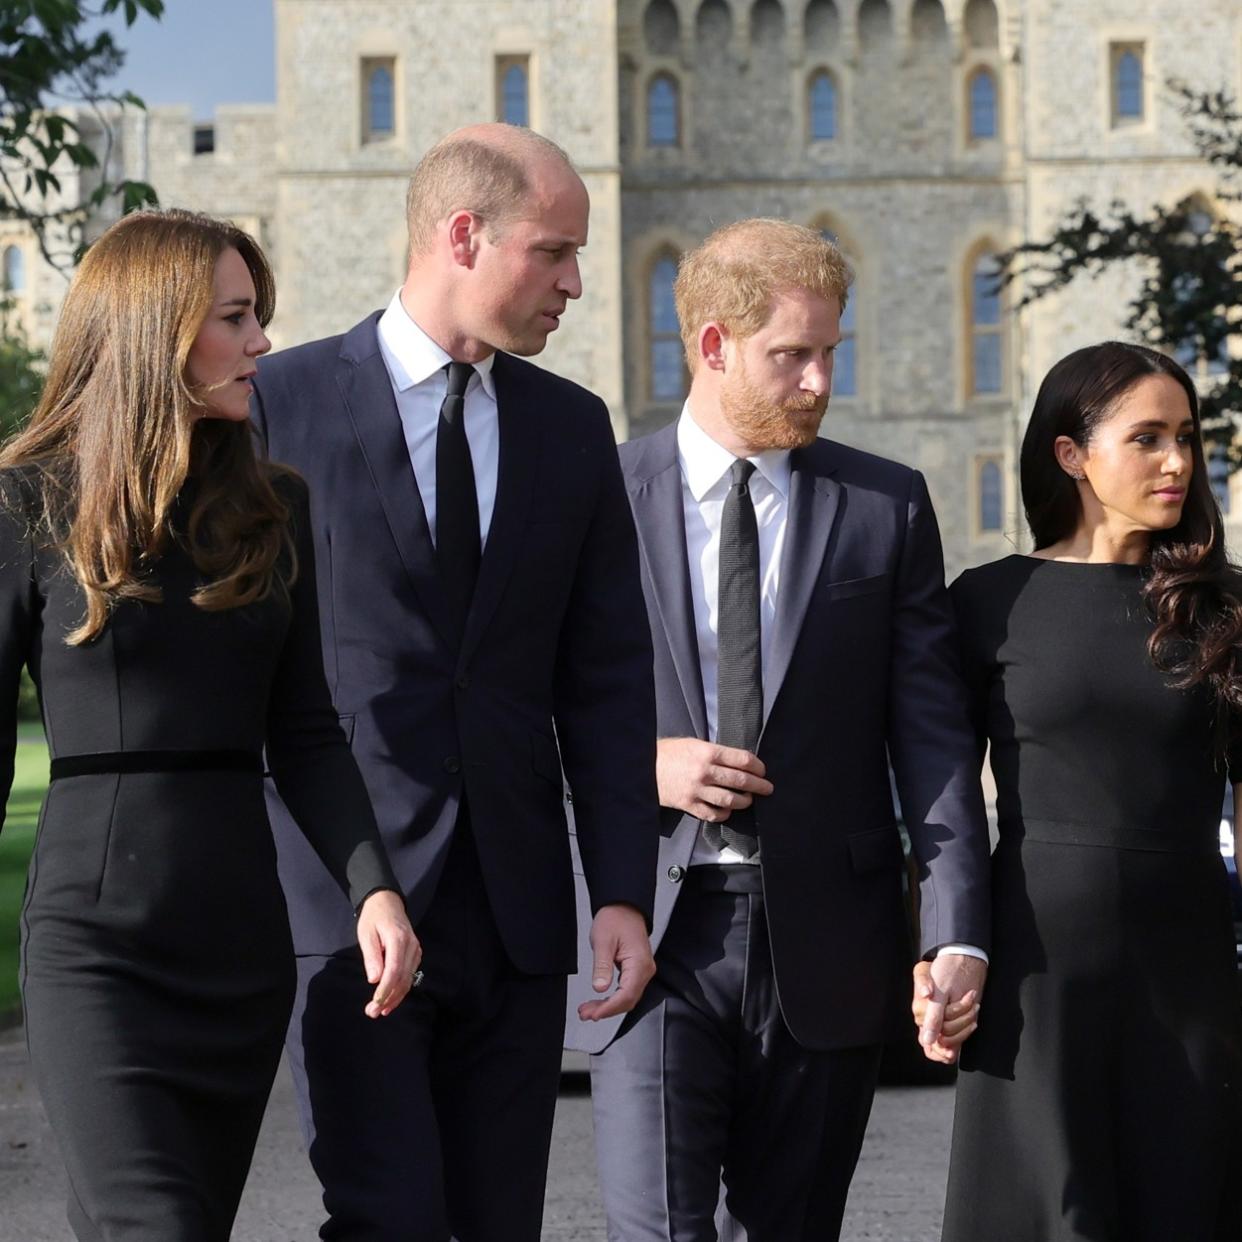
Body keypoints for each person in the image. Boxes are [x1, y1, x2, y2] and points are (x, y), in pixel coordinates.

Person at [249, 122, 660, 1242]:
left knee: (495, 1223)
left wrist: (621, 888)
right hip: (349, 904)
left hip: (521, 913)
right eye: (555, 252)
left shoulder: (573, 429)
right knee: (387, 1219)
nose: (576, 283)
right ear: (464, 234)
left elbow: (609, 679)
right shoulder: (281, 404)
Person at [565, 218, 992, 1242]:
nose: (816, 382)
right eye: (789, 356)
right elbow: (516, 704)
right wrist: (637, 766)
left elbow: (932, 739)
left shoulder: (884, 508)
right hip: (649, 929)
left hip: (827, 941)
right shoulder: (596, 497)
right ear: (712, 346)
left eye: (828, 354)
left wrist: (955, 930)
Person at [0, 208, 419, 1242]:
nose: (263, 343)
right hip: (96, 950)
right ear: (159, 329)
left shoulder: (271, 508)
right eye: (236, 317)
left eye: (259, 316)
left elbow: (308, 732)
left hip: (238, 952)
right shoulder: (26, 502)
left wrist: (373, 888)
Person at [927, 341, 1242, 1241]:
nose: (1179, 460)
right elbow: (939, 789)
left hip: (1188, 972)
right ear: (1072, 453)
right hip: (1034, 973)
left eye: (1188, 436)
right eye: (1148, 438)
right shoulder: (987, 602)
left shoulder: (1226, 611)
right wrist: (942, 947)